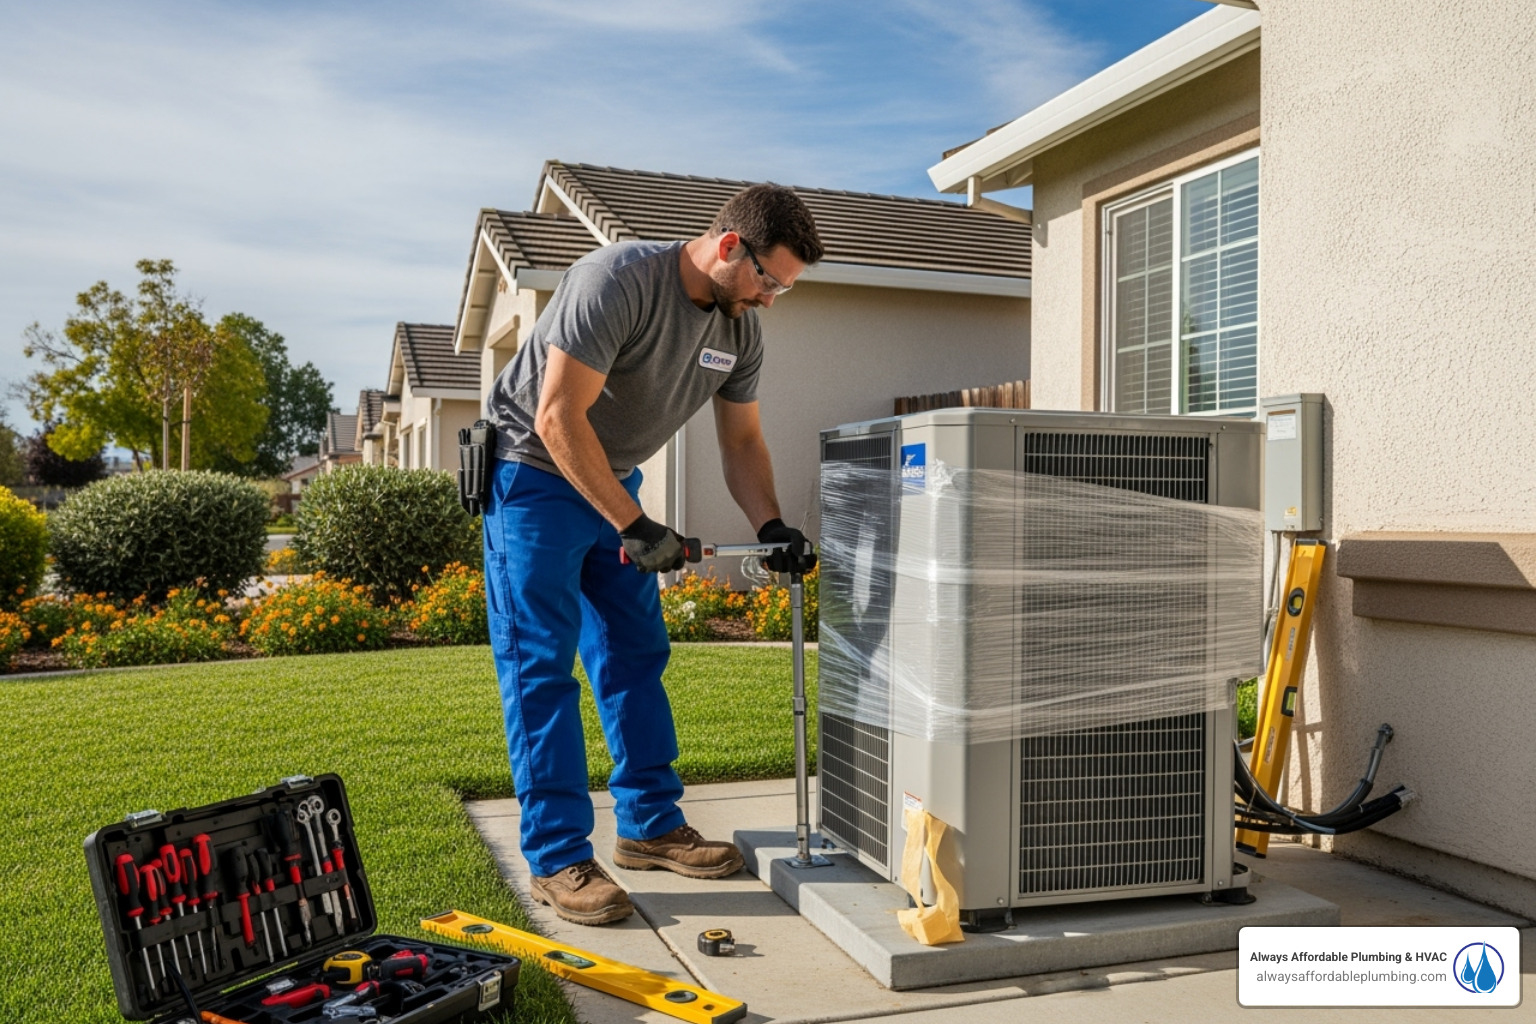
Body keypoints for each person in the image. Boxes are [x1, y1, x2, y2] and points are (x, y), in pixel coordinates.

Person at [481, 183, 824, 925]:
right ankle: (559, 857)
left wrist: (771, 528)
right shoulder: (616, 282)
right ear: (731, 245)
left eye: (784, 290)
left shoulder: (741, 332)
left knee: (636, 654)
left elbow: (742, 443)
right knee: (540, 666)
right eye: (770, 280)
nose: (771, 299)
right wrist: (633, 523)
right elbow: (556, 415)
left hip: (613, 482)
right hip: (532, 475)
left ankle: (649, 826)